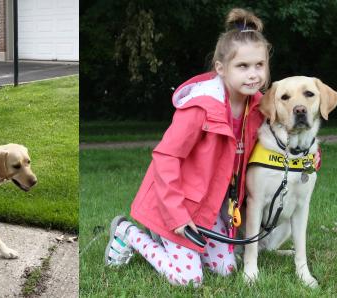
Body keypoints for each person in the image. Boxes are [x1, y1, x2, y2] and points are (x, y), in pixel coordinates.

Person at [104, 8, 271, 287]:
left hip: (212, 207)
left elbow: (286, 134)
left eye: (259, 65)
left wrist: (310, 156)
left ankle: (174, 242)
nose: (253, 74)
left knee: (225, 269)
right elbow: (165, 157)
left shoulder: (258, 107)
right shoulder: (200, 107)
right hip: (176, 206)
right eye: (243, 66)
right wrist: (177, 217)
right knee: (188, 279)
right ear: (221, 68)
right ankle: (129, 233)